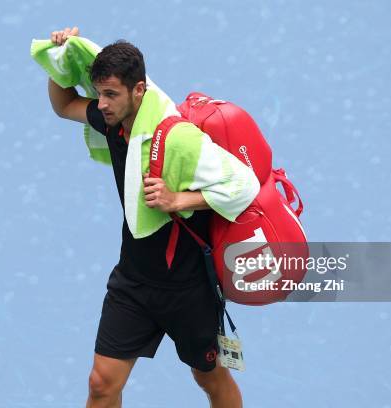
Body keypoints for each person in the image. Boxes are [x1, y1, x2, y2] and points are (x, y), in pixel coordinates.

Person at [47, 26, 246, 408]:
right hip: (134, 282)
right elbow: (64, 105)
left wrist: (177, 199)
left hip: (189, 290)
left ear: (138, 91)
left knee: (211, 380)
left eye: (110, 94)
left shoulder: (178, 137)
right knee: (101, 383)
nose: (101, 103)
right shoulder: (113, 121)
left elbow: (243, 185)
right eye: (100, 93)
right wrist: (59, 59)